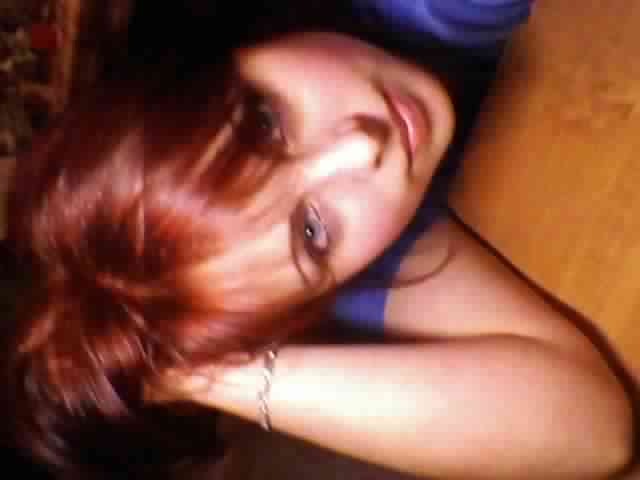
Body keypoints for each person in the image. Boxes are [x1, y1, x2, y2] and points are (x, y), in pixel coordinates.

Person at [0, 1, 633, 479]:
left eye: (266, 121)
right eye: (312, 233)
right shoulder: (368, 244)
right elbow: (593, 430)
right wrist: (201, 371)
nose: (360, 147)